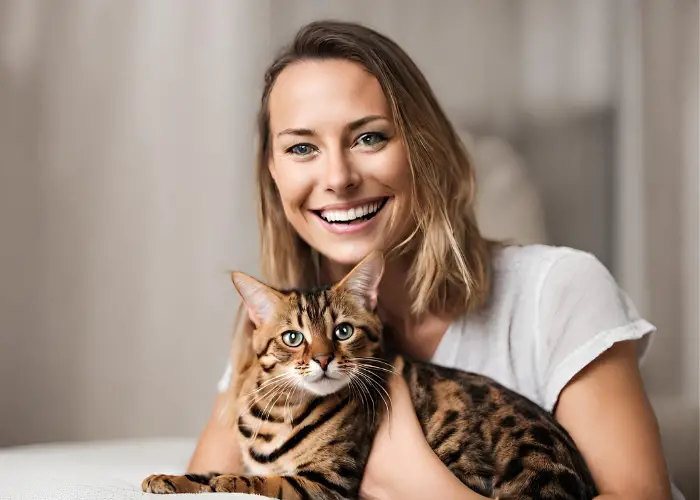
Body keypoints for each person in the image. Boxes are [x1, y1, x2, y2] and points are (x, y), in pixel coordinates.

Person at [188, 20, 677, 500]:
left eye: (369, 137)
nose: (338, 177)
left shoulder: (559, 290)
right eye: (301, 147)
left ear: (424, 147)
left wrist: (430, 489)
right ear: (273, 172)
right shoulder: (275, 337)